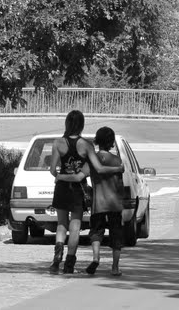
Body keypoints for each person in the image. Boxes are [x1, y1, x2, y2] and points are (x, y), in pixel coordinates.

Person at [48, 109, 123, 274]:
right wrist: (118, 168)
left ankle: (56, 260)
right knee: (75, 227)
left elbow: (53, 170)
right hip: (78, 189)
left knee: (61, 224)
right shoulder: (86, 145)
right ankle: (69, 264)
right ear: (81, 125)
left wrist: (62, 176)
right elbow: (99, 168)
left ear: (67, 123)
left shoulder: (57, 143)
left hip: (61, 188)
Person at [85, 126, 124, 277]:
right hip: (114, 203)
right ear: (111, 142)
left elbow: (83, 174)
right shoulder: (116, 160)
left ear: (97, 140)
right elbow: (120, 185)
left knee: (96, 232)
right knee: (116, 235)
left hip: (98, 202)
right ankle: (115, 267)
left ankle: (96, 258)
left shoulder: (92, 159)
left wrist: (89, 189)